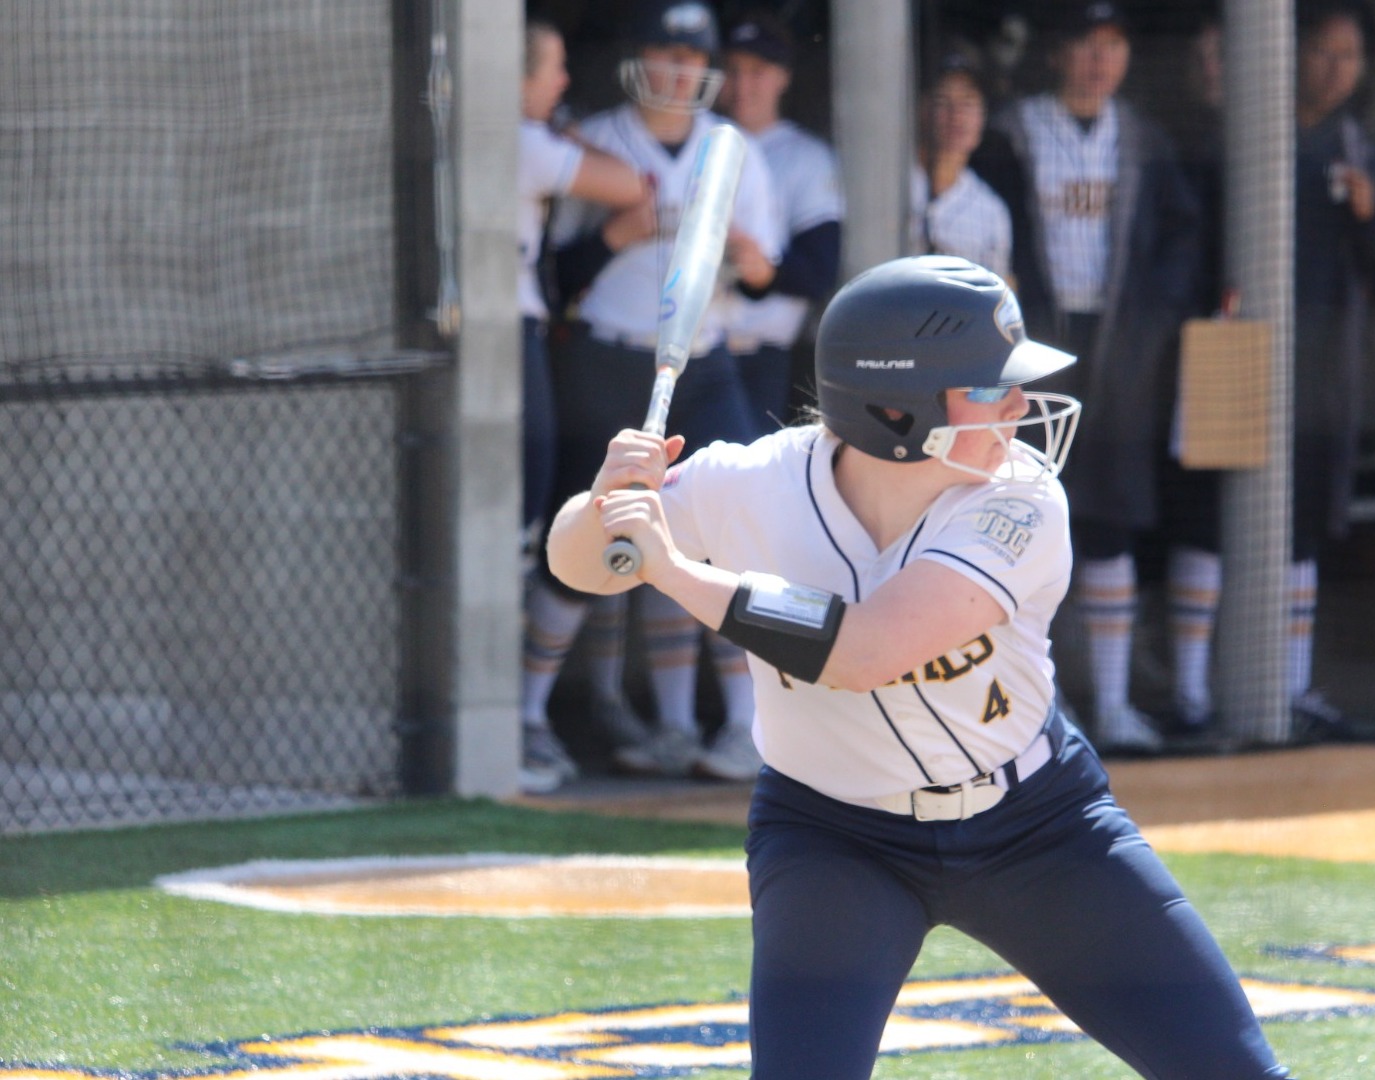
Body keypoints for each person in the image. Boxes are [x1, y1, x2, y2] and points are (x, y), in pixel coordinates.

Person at [545, 254, 1290, 1080]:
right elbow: (578, 562)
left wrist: (674, 570)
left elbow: (866, 650)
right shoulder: (749, 481)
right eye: (989, 386)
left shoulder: (1021, 498)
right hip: (834, 838)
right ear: (896, 413)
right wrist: (605, 506)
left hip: (1039, 827)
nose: (1018, 403)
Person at [528, 0, 783, 783]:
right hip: (607, 359)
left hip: (702, 364)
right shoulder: (600, 143)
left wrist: (741, 254)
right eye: (663, 55)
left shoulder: (728, 149)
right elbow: (555, 275)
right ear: (639, 61)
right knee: (588, 532)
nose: (677, 71)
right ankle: (529, 715)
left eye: (689, 58)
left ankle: (740, 727)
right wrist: (617, 236)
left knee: (730, 534)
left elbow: (769, 272)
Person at [974, 1, 1201, 752]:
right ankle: (1026, 711)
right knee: (1016, 520)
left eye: (1112, 45)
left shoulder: (1140, 139)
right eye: (1084, 44)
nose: (1099, 60)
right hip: (1032, 350)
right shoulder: (1011, 133)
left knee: (1108, 521)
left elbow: (1179, 242)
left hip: (1117, 352)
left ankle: (1112, 703)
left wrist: (1150, 326)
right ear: (1056, 54)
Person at [516, 16, 657, 793]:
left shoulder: (531, 136)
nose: (564, 82)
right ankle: (511, 721)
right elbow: (636, 184)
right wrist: (567, 130)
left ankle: (523, 719)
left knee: (530, 531)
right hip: (516, 343)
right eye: (552, 69)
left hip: (528, 339)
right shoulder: (526, 137)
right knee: (525, 532)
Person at [1274, 1, 1375, 732]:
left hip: (1329, 366)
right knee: (1228, 519)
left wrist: (1368, 213)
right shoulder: (1254, 127)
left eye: (1349, 57)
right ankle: (1216, 690)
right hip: (1251, 359)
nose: (1335, 68)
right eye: (1323, 51)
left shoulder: (1358, 144)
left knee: (1308, 521)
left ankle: (1292, 687)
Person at [715, 9, 844, 436]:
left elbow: (819, 271)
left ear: (783, 76)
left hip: (761, 355)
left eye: (757, 70)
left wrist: (764, 269)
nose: (742, 84)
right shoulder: (698, 140)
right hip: (691, 350)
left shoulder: (806, 157)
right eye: (732, 70)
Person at [909, 42, 1014, 280]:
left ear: (983, 115)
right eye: (942, 101)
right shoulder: (888, 184)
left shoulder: (991, 211)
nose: (956, 115)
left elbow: (992, 304)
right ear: (922, 108)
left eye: (968, 103)